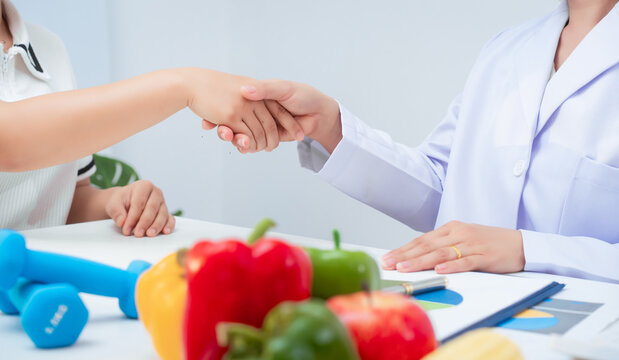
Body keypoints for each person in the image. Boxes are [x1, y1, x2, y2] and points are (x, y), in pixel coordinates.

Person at [217, 0, 619, 283]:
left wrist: (528, 250)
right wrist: (329, 125)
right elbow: (442, 186)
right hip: (467, 310)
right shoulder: (508, 49)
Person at [0, 0, 303, 236]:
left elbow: (67, 202)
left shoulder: (48, 46)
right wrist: (185, 85)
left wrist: (114, 203)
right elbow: (10, 142)